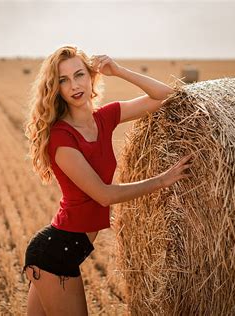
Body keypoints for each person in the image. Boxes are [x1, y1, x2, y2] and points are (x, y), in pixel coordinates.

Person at [22, 45, 193, 315]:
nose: (74, 85)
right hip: (54, 254)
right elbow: (104, 195)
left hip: (61, 251)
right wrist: (162, 180)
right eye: (63, 80)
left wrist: (118, 71)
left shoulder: (106, 117)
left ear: (91, 77)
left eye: (79, 75)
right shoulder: (61, 137)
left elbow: (168, 96)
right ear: (56, 89)